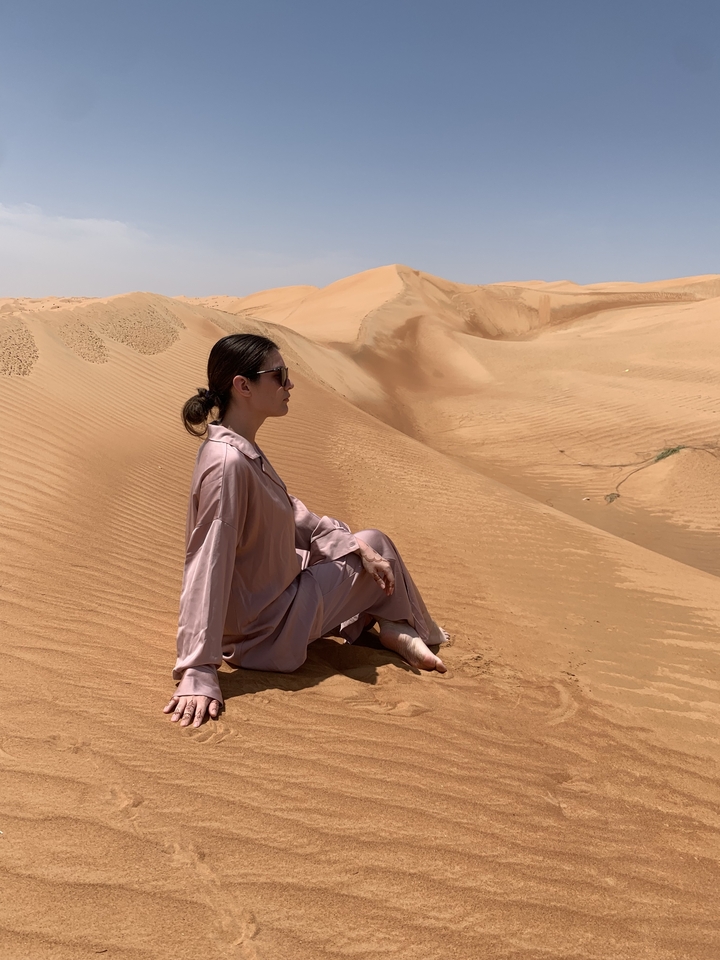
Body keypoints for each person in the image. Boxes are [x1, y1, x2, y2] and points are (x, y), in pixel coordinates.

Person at [164, 333, 448, 729]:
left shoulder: (237, 449)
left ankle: (390, 621)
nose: (289, 384)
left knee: (361, 546)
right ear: (243, 386)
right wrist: (198, 668)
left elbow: (291, 516)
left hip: (263, 615)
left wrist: (352, 545)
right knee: (378, 542)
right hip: (271, 633)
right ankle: (408, 626)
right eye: (278, 375)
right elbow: (208, 561)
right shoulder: (228, 464)